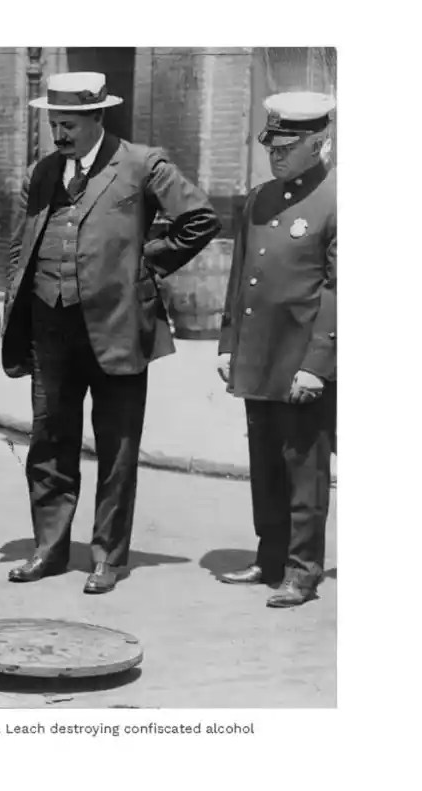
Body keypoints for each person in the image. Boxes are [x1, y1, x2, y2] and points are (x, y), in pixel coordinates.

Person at [1, 72, 221, 594]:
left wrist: (145, 265)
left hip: (118, 324)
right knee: (49, 440)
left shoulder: (143, 163)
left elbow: (200, 219)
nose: (60, 134)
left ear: (99, 117)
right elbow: (23, 241)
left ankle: (108, 556)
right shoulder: (45, 170)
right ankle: (49, 550)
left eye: (70, 124)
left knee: (117, 447)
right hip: (50, 325)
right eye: (54, 123)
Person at [216, 92, 337, 608]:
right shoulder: (261, 198)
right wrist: (228, 344)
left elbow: (340, 290)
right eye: (272, 144)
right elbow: (240, 275)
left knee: (303, 468)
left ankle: (303, 570)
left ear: (319, 143)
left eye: (289, 145)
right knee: (264, 462)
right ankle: (270, 558)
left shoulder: (338, 199)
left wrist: (317, 365)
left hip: (302, 361)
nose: (276, 153)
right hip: (258, 356)